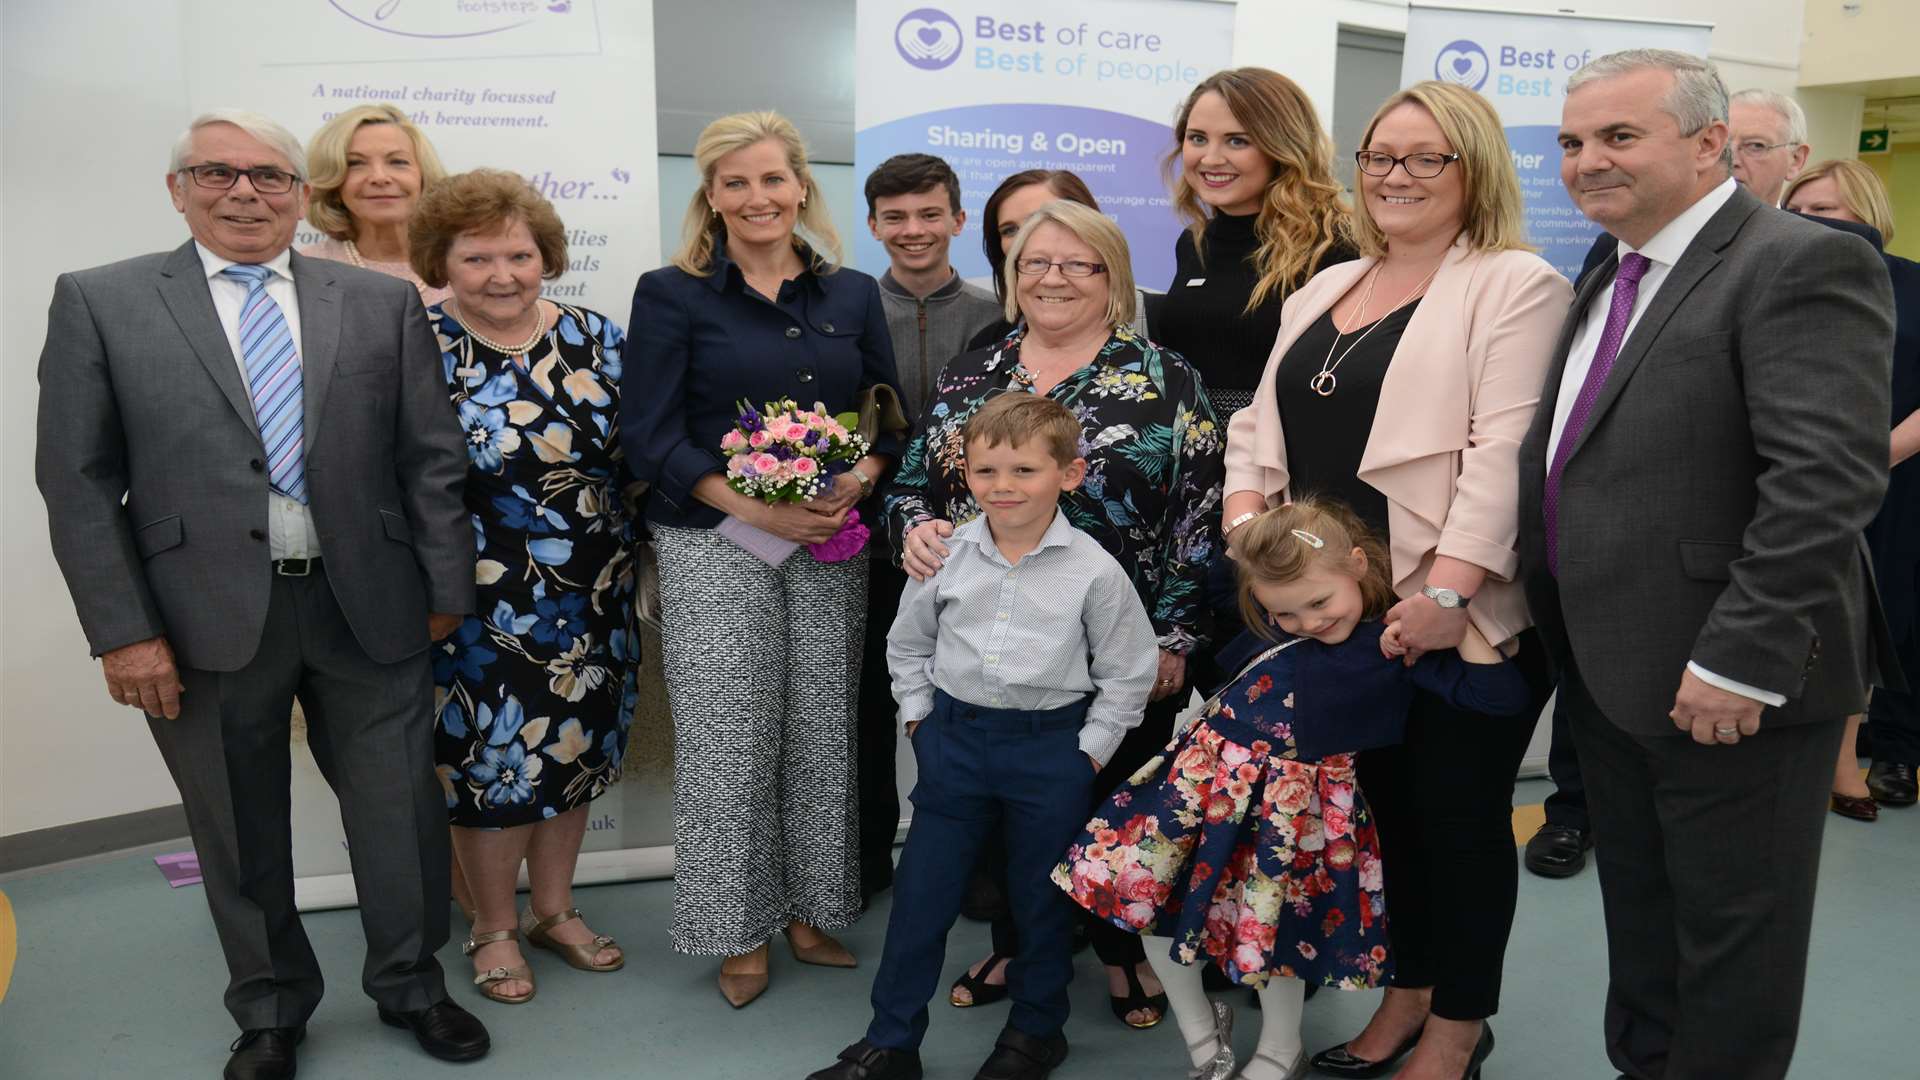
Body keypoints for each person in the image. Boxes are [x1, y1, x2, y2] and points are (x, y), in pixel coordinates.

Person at [34, 109, 489, 1079]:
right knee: (236, 829)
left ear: (299, 193)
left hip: (373, 606)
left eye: (270, 176)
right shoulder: (102, 300)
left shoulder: (376, 303)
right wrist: (123, 631)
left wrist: (446, 587)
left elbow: (432, 458)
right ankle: (272, 1011)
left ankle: (414, 987)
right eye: (217, 172)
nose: (245, 191)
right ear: (178, 189)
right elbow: (75, 482)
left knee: (400, 814)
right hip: (198, 617)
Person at [1522, 50, 1894, 1080]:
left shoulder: (1798, 260)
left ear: (1707, 144)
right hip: (1611, 673)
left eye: (1618, 137)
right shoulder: (1612, 267)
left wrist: (1743, 658)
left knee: (1731, 959)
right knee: (1646, 936)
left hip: (1728, 684)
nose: (1586, 160)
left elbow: (1825, 482)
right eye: (1571, 141)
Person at [1223, 82, 1567, 1080]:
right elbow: (1259, 428)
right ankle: (1405, 995)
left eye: (1426, 157)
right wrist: (1250, 528)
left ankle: (1459, 1027)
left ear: (1475, 170)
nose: (1396, 175)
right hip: (1344, 624)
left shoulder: (1516, 284)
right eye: (1380, 154)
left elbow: (1503, 455)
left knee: (1459, 828)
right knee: (1389, 823)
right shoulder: (1324, 288)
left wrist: (1448, 593)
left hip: (1458, 619)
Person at [889, 198, 1223, 1028]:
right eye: (1036, 263)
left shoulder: (1166, 378)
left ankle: (1118, 956)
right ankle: (1017, 941)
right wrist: (916, 529)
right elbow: (908, 488)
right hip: (988, 654)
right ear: (1010, 278)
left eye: (1080, 264)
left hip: (1122, 649)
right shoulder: (974, 374)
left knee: (1113, 808)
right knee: (1007, 821)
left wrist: (1176, 638)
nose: (1054, 278)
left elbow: (1200, 514)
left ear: (1113, 282)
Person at [1058, 498, 1531, 1080]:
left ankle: (1281, 1050)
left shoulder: (1389, 647)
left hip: (1287, 819)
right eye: (1286, 612)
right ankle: (1204, 1043)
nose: (1307, 622)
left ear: (1359, 565)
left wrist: (1458, 622)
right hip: (1201, 794)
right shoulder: (1261, 627)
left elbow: (1498, 698)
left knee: (1271, 922)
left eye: (1319, 602)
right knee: (1149, 899)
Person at [622, 110, 903, 1008]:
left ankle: (812, 909)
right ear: (711, 196)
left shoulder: (852, 293)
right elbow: (648, 435)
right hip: (715, 540)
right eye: (735, 182)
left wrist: (858, 477)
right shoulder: (672, 294)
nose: (757, 197)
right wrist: (752, 509)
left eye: (773, 179)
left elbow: (888, 417)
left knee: (822, 729)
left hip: (829, 537)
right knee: (729, 741)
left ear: (800, 189)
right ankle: (736, 927)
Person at [809, 393, 1159, 1080]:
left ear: (1071, 474)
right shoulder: (945, 557)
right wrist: (920, 722)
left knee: (1041, 900)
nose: (1004, 488)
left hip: (1051, 751)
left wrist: (1084, 755)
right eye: (986, 471)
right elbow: (907, 648)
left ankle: (1034, 1031)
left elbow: (1128, 675)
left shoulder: (1093, 570)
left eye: (1025, 471)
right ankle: (890, 1041)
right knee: (921, 901)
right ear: (964, 473)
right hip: (956, 745)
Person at [405, 169, 639, 1003]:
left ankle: (556, 910)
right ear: (441, 261)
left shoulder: (597, 336)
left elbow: (639, 454)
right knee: (492, 762)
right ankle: (493, 929)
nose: (502, 274)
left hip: (594, 591)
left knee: (573, 753)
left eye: (519, 253)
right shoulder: (414, 343)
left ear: (547, 255)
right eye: (477, 258)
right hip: (474, 600)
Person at [1156, 66, 1359, 701]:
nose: (1210, 158)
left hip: (1276, 490)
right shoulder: (1198, 242)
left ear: (1281, 145)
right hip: (1190, 490)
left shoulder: (1335, 246)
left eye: (1237, 140)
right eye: (1197, 138)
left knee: (1277, 694)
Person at [857, 152, 1003, 899]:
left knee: (970, 699)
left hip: (974, 543)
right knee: (866, 704)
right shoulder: (849, 311)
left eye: (928, 214)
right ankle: (865, 857)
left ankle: (976, 866)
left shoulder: (997, 317)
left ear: (956, 219)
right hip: (864, 541)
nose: (913, 231)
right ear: (874, 223)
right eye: (895, 217)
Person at [1784, 161, 1920, 816]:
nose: (1808, 222)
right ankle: (1823, 755)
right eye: (1798, 209)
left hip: (1900, 475)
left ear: (1868, 217)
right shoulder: (1781, 286)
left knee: (1898, 616)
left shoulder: (1914, 285)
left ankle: (1895, 749)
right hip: (1805, 476)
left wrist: (1880, 455)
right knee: (1820, 612)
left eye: (1827, 211)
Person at [966, 170, 1152, 351]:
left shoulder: (1154, 323)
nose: (1027, 238)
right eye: (1010, 230)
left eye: (1046, 219)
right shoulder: (986, 348)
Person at [298, 103, 451, 305]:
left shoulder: (466, 264)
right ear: (333, 183)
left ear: (424, 176)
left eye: (397, 161)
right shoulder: (304, 271)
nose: (379, 177)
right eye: (356, 163)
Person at [1727, 88, 1810, 206]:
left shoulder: (1804, 225)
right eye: (1721, 145)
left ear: (1795, 160)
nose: (1731, 160)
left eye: (1756, 145)